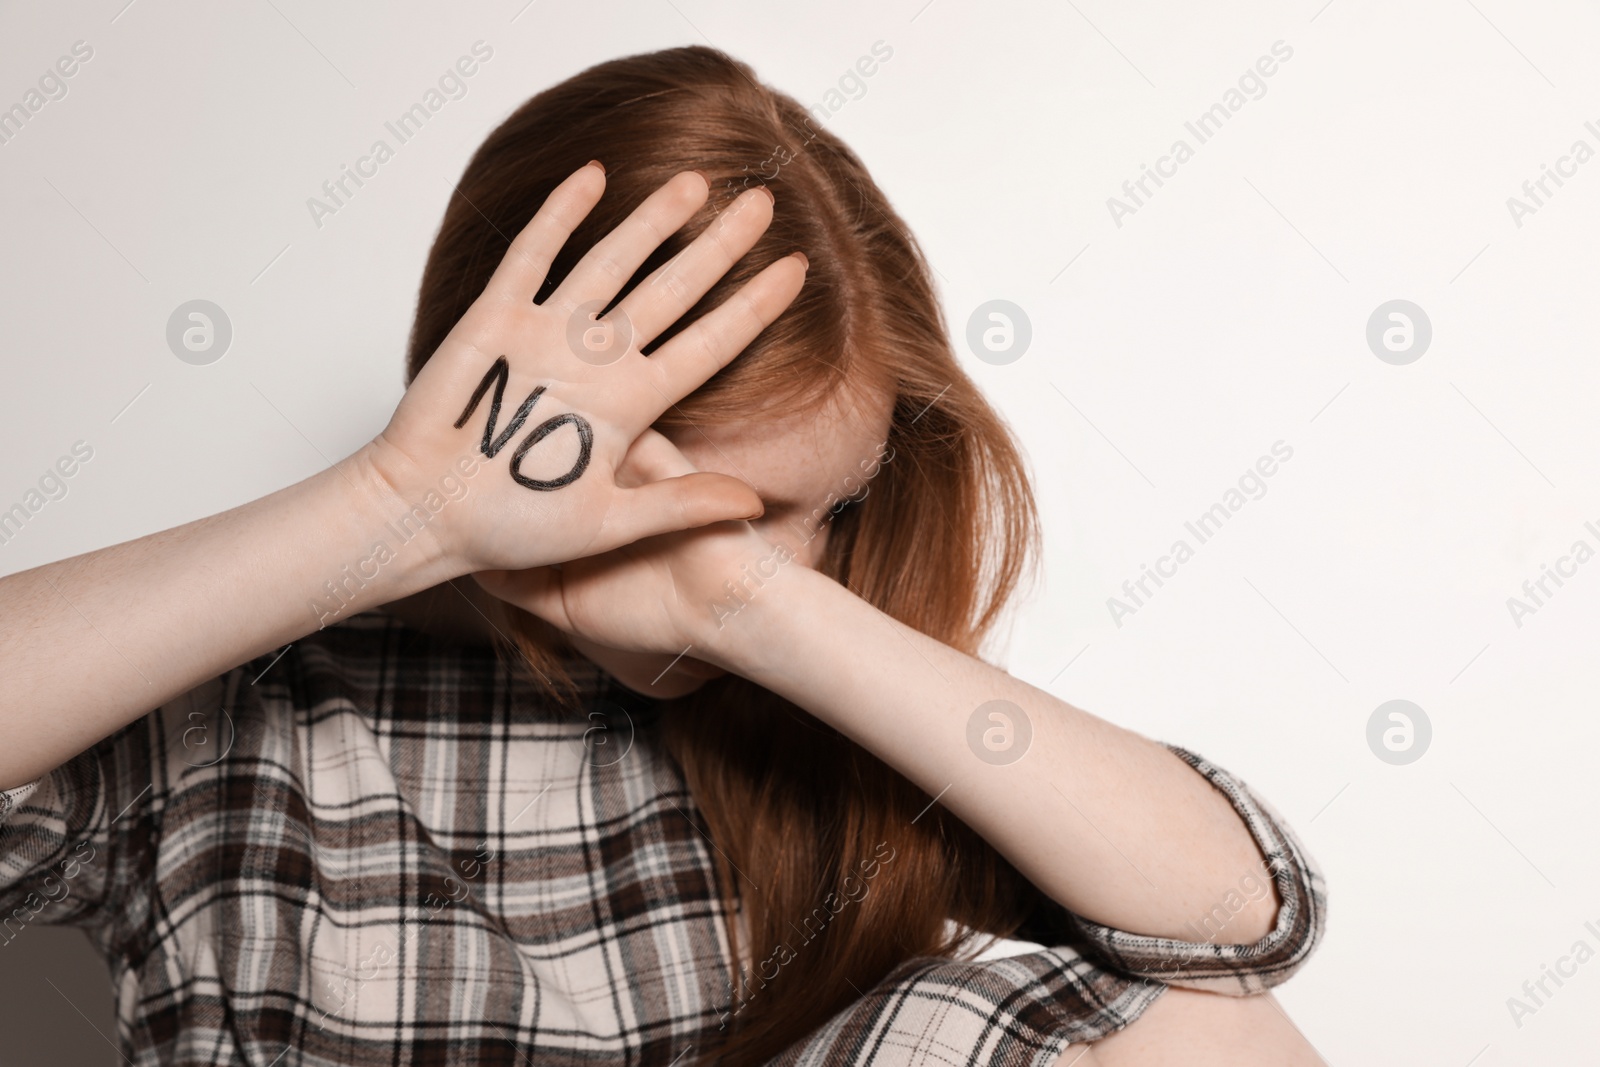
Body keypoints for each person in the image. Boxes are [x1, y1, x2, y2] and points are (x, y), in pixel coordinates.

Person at [0, 46, 1325, 1066]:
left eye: (823, 505)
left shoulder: (810, 696)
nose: (798, 558)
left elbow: (1237, 933)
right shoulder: (238, 721)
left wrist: (744, 597)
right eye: (725, 507)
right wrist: (399, 506)